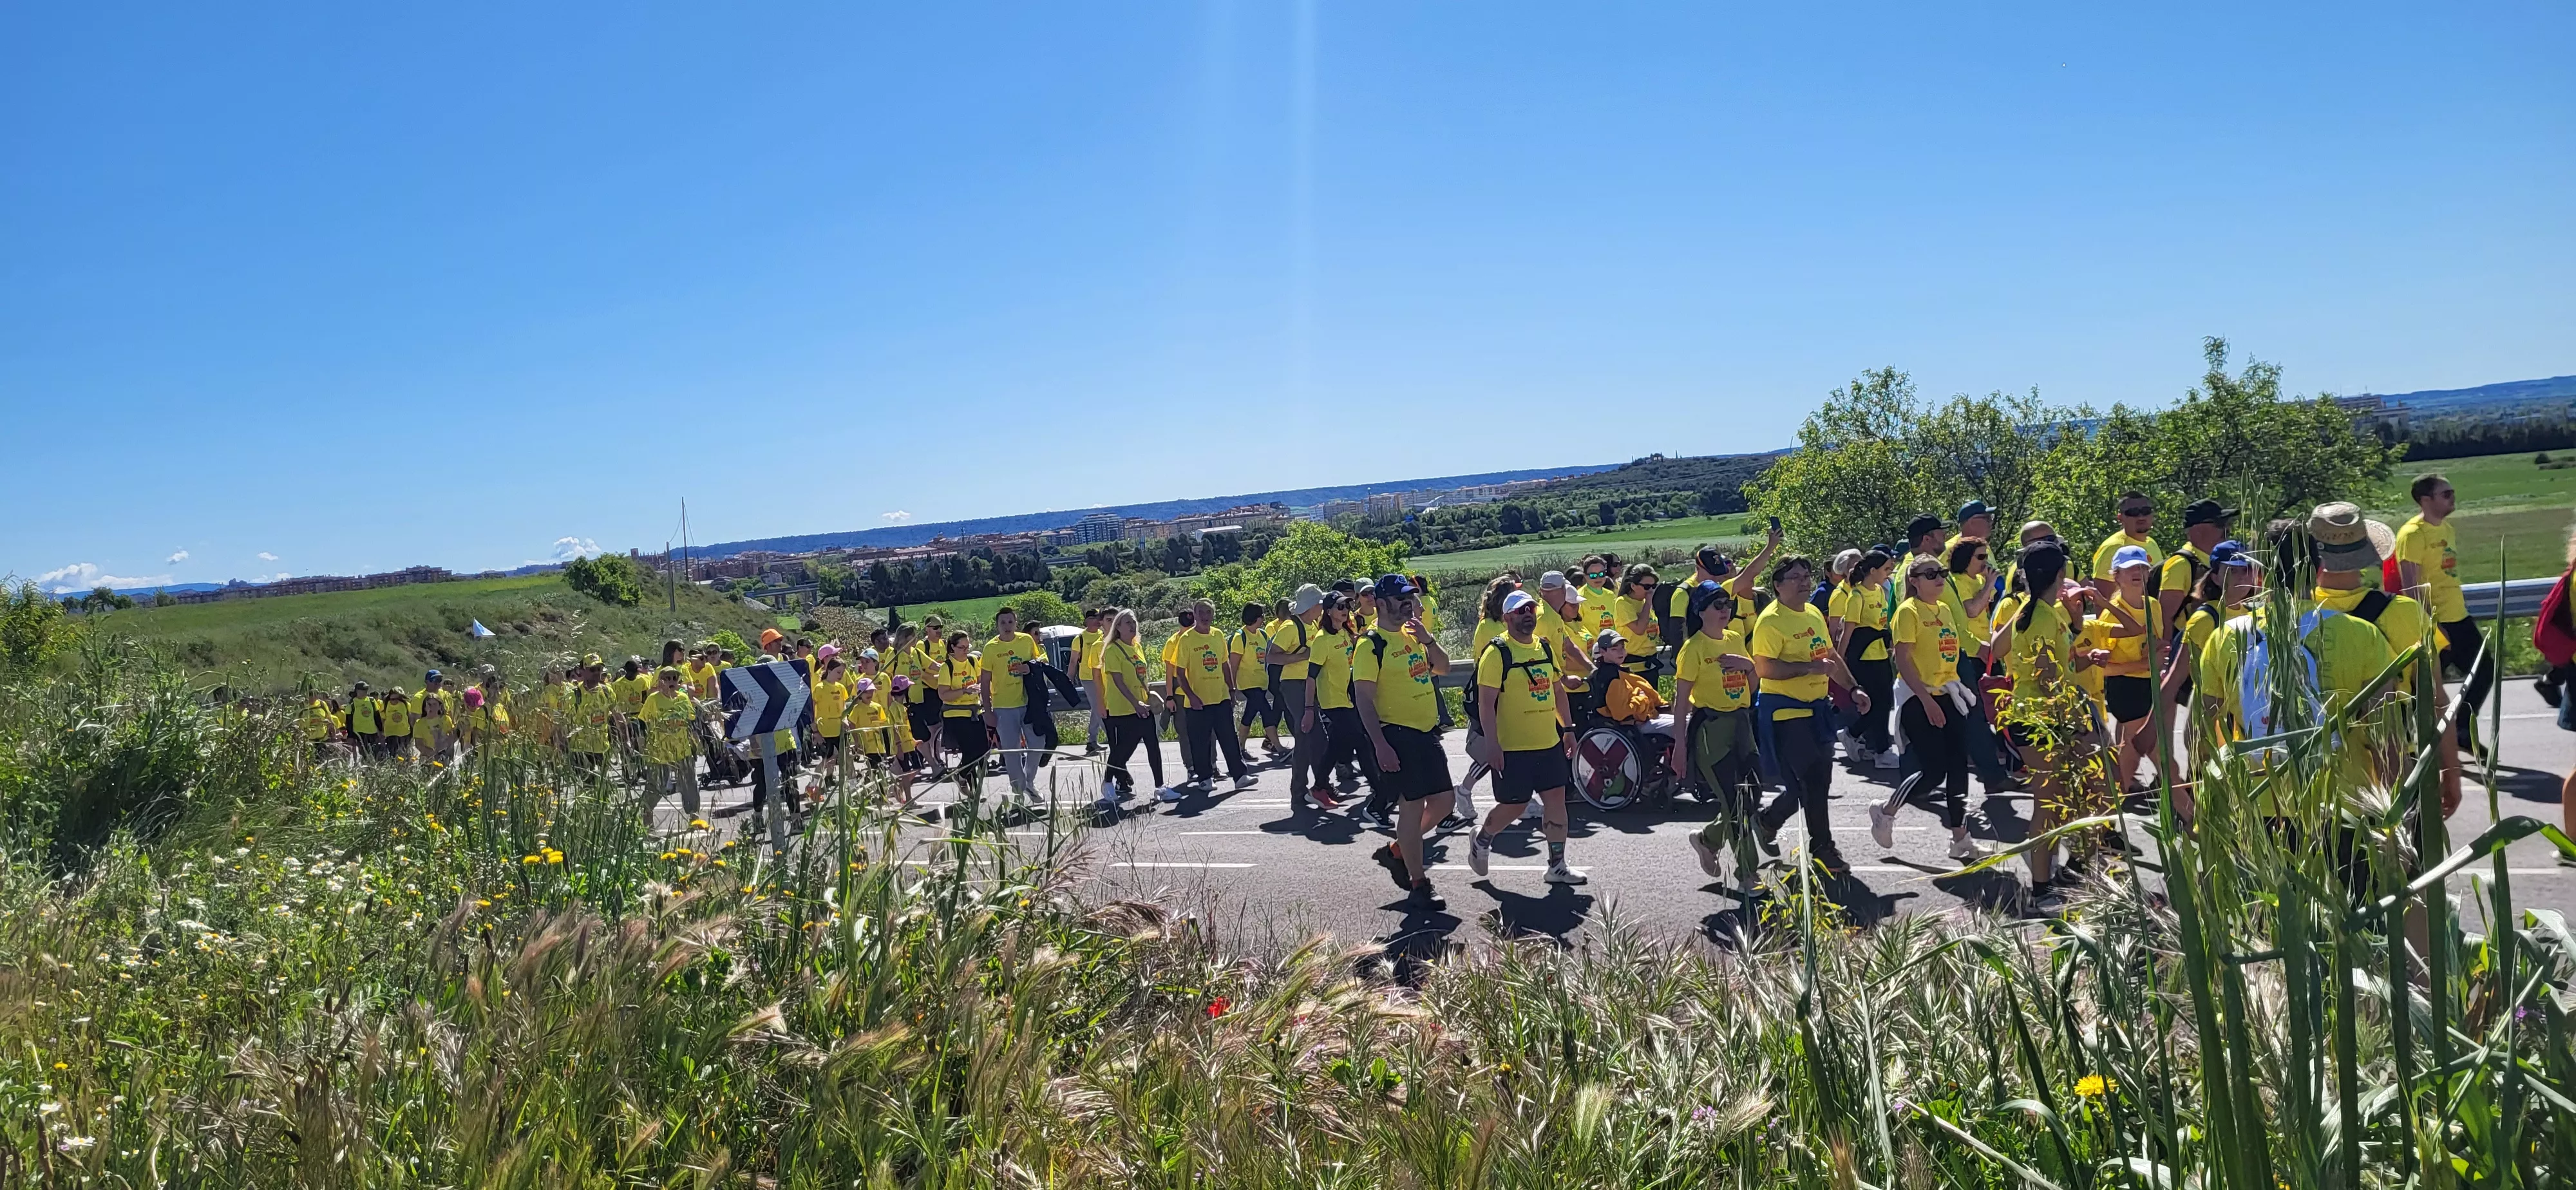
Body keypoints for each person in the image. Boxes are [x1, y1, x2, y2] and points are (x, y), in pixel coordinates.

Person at [1987, 540, 2101, 905]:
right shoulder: (2040, 615)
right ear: (2060, 574)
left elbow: (1999, 648)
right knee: (2048, 803)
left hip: (2046, 716)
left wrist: (2081, 660)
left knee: (2076, 795)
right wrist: (2077, 721)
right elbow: (2047, 676)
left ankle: (2072, 868)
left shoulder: (2031, 609)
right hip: (2042, 719)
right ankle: (2042, 887)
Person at [1750, 554, 1869, 874]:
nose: (1805, 582)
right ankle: (1822, 847)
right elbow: (1765, 668)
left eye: (1807, 576)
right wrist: (1809, 668)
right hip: (1786, 711)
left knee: (1817, 783)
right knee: (1811, 782)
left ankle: (1768, 820)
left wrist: (1853, 689)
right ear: (1778, 586)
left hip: (1818, 709)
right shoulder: (1771, 621)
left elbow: (1829, 655)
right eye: (1796, 578)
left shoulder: (1814, 613)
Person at [1870, 557, 1987, 860]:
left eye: (1942, 574)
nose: (1938, 579)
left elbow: (1952, 651)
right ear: (1914, 580)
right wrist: (1925, 699)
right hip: (1917, 697)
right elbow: (1904, 660)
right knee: (1934, 771)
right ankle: (1886, 811)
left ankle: (1961, 838)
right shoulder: (1908, 612)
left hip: (1947, 693)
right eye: (1930, 574)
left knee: (1959, 766)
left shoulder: (1945, 610)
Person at [1466, 589, 1585, 885]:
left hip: (1548, 744)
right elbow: (1485, 703)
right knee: (1514, 806)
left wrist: (1568, 730)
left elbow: (1557, 691)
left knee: (1556, 801)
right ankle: (1482, 839)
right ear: (1506, 618)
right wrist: (1493, 744)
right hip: (1513, 749)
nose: (1527, 615)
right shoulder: (1497, 653)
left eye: (1530, 610)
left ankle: (1557, 865)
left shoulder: (1544, 648)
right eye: (1520, 612)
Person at [1357, 575, 1455, 912]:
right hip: (1398, 734)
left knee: (1444, 802)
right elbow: (1364, 700)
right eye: (1400, 600)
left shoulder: (1414, 636)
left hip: (1426, 731)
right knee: (1411, 808)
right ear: (1380, 603)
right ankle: (1419, 883)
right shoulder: (1371, 644)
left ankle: (1398, 849)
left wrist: (1428, 640)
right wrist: (1380, 745)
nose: (1407, 605)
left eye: (1410, 599)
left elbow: (1443, 667)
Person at [2396, 473, 2494, 749]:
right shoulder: (2413, 534)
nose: (2453, 498)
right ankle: (2404, 741)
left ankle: (2462, 728)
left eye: (2452, 492)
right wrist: (2429, 624)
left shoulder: (2447, 528)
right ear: (2426, 500)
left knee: (2484, 671)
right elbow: (2410, 585)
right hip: (2436, 622)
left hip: (2458, 616)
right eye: (2446, 494)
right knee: (2421, 688)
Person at [1673, 590, 1761, 880]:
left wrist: (1749, 667)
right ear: (1700, 611)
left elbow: (1752, 684)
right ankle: (1748, 874)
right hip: (1712, 729)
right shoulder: (1693, 648)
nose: (1725, 610)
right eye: (1717, 605)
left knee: (1752, 796)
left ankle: (1708, 840)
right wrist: (1680, 747)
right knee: (1736, 802)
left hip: (1742, 724)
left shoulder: (1735, 638)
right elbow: (1682, 700)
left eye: (1728, 605)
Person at [2094, 545, 2167, 793]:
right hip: (2125, 686)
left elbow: (2155, 641)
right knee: (2156, 748)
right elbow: (2103, 669)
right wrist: (2144, 663)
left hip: (2150, 683)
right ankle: (2180, 798)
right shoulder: (2111, 614)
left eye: (2142, 567)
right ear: (2116, 576)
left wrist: (2158, 653)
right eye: (2130, 569)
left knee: (2131, 746)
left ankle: (2116, 795)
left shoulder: (2153, 605)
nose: (2138, 573)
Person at [1168, 600, 1255, 794]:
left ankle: (1240, 776)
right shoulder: (1186, 639)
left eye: (1209, 612)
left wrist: (1231, 690)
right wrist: (1191, 696)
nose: (1205, 616)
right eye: (1201, 612)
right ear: (1195, 615)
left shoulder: (1218, 635)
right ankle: (1205, 778)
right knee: (1201, 742)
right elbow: (1180, 673)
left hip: (1221, 696)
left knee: (1229, 738)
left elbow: (1225, 665)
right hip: (1197, 702)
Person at [1300, 593, 1375, 817]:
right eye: (1340, 606)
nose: (1345, 609)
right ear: (1329, 611)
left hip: (1347, 698)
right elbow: (1311, 677)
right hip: (1333, 701)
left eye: (1347, 606)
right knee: (1360, 742)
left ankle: (1319, 787)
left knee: (1336, 745)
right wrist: (1308, 710)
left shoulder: (1344, 633)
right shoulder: (1322, 640)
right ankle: (1380, 786)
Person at [1095, 609, 1175, 809]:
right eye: (1127, 623)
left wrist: (1149, 695)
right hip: (1124, 707)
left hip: (1143, 704)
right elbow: (1118, 681)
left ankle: (1160, 787)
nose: (1132, 626)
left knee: (1152, 744)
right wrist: (1134, 703)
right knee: (1124, 748)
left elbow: (1141, 678)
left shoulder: (1137, 647)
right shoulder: (1113, 650)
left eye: (1134, 622)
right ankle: (1107, 783)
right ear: (1118, 628)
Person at [1830, 549, 1897, 767]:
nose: (1890, 573)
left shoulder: (1879, 591)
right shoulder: (1856, 596)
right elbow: (1848, 632)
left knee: (1885, 701)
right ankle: (1880, 750)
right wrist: (1840, 662)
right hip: (1863, 658)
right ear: (1873, 570)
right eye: (1886, 569)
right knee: (1876, 703)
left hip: (1880, 654)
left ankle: (1854, 735)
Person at [1269, 584, 1330, 805]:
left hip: (1309, 684)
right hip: (1294, 685)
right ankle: (1317, 787)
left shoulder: (1312, 624)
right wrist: (1302, 658)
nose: (1323, 607)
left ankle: (1305, 790)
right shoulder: (1290, 628)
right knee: (1316, 736)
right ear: (1313, 606)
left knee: (1306, 737)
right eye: (1320, 603)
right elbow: (1272, 657)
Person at [979, 607, 1046, 802]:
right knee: (1012, 751)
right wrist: (988, 710)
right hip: (1003, 707)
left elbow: (1041, 660)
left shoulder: (1026, 641)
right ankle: (1019, 792)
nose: (1007, 626)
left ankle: (1029, 782)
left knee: (1038, 742)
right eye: (1003, 623)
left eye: (1010, 622)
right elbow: (984, 682)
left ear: (1016, 623)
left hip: (1028, 703)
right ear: (997, 625)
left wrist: (1029, 666)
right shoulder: (991, 648)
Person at [931, 630, 989, 806]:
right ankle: (961, 777)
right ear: (952, 648)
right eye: (962, 647)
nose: (966, 650)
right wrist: (964, 690)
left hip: (974, 712)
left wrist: (983, 692)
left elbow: (980, 681)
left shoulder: (973, 661)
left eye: (968, 646)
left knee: (984, 752)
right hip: (955, 714)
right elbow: (943, 694)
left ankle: (970, 787)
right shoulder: (947, 667)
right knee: (971, 751)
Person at [638, 666, 702, 817]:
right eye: (667, 678)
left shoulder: (683, 698)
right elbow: (642, 721)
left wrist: (695, 741)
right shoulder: (653, 700)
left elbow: (691, 721)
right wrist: (643, 744)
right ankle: (647, 814)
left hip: (682, 749)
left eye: (674, 678)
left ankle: (694, 815)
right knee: (657, 786)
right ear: (661, 681)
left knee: (690, 784)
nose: (671, 681)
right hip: (660, 752)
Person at [1230, 603, 1284, 756]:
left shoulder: (1263, 635)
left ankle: (1240, 748)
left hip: (1261, 682)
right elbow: (1233, 665)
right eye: (1262, 616)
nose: (1263, 619)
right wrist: (1232, 688)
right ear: (1256, 617)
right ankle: (1278, 747)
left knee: (1250, 713)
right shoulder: (1240, 637)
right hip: (1247, 683)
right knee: (1266, 711)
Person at [2091, 493, 2163, 593]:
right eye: (2133, 512)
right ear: (2120, 518)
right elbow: (2102, 600)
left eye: (2146, 511)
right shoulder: (2113, 547)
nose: (2141, 517)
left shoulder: (2152, 544)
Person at [564, 655, 620, 774]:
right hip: (580, 749)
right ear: (582, 672)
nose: (597, 673)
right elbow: (563, 724)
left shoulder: (607, 691)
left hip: (602, 748)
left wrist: (626, 741)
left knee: (601, 786)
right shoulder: (574, 694)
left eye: (599, 669)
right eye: (592, 670)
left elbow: (619, 716)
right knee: (591, 783)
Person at [1609, 564, 1662, 678]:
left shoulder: (1645, 603)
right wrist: (1648, 603)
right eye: (1647, 587)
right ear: (1633, 585)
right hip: (1633, 664)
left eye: (1654, 586)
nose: (1651, 591)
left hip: (1650, 661)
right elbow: (1639, 629)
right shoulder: (1623, 603)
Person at [1074, 609, 1107, 755]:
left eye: (1099, 618)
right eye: (1095, 618)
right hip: (1088, 678)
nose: (1098, 621)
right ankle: (1112, 736)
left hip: (1103, 676)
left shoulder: (1104, 636)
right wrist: (1068, 680)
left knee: (1096, 708)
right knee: (1098, 707)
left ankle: (1091, 742)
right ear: (1087, 621)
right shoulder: (1080, 638)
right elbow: (1073, 661)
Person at [412, 670, 459, 765]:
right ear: (427, 682)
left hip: (446, 746)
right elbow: (415, 721)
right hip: (427, 746)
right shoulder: (418, 698)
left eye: (440, 680)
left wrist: (447, 744)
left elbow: (451, 715)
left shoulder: (446, 695)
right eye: (435, 680)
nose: (438, 683)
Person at [345, 682, 381, 759]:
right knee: (364, 753)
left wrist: (381, 731)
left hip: (372, 732)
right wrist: (350, 736)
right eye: (363, 689)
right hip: (359, 733)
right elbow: (349, 721)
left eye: (366, 689)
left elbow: (377, 717)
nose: (366, 691)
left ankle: (372, 769)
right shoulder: (352, 704)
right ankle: (366, 768)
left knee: (374, 753)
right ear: (357, 691)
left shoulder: (372, 701)